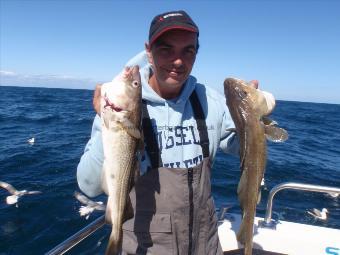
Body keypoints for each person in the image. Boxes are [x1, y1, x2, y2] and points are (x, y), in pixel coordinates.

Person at [77, 10, 259, 255]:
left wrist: (252, 118)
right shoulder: (119, 107)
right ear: (148, 52)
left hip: (206, 246)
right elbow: (88, 185)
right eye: (166, 49)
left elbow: (240, 148)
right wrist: (106, 122)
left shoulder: (211, 101)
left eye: (188, 51)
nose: (178, 61)